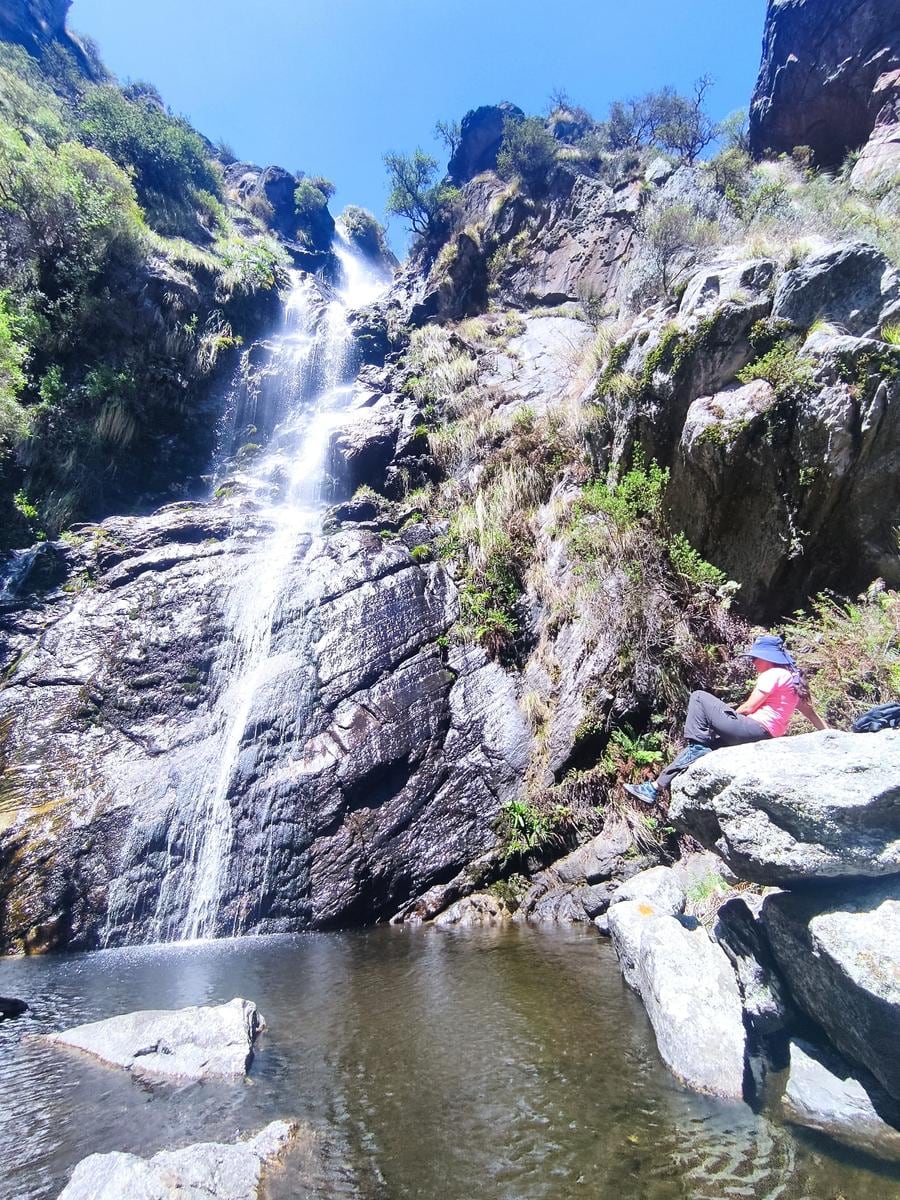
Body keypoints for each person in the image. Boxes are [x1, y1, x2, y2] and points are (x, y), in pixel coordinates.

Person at [624, 633, 828, 804]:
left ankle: (698, 744)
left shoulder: (773, 673)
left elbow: (749, 707)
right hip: (765, 737)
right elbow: (810, 713)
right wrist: (830, 734)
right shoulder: (792, 681)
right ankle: (655, 787)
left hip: (753, 729)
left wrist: (729, 719)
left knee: (699, 697)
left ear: (767, 658)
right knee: (704, 747)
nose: (753, 662)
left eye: (755, 658)